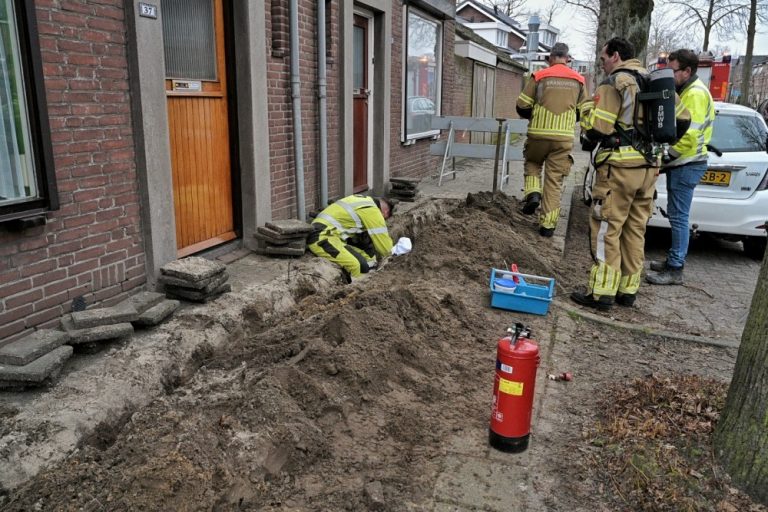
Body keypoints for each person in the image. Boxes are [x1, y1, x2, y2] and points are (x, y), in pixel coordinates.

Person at [570, 37, 690, 310]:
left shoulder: (615, 82)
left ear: (614, 55)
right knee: (635, 229)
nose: (602, 64)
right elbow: (683, 120)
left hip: (619, 170)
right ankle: (628, 290)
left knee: (607, 228)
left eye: (603, 58)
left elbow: (598, 128)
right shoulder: (657, 81)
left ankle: (601, 293)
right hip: (649, 169)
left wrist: (587, 111)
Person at [646, 49, 715, 285]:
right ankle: (673, 261)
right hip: (686, 163)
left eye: (673, 70)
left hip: (687, 163)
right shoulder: (687, 91)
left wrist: (666, 157)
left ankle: (675, 268)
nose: (670, 75)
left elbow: (689, 136)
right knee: (677, 216)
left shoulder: (694, 94)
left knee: (678, 218)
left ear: (687, 71)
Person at [516, 42, 588, 237]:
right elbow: (584, 111)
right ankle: (548, 226)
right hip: (563, 138)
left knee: (532, 162)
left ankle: (532, 193)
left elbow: (521, 105)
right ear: (568, 58)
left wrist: (535, 115)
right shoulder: (579, 80)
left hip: (538, 134)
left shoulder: (539, 76)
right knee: (554, 181)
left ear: (550, 58)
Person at [307, 194, 395, 279]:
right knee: (354, 265)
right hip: (320, 237)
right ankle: (357, 290)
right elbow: (385, 248)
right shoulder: (372, 211)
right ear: (385, 212)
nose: (384, 221)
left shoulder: (363, 200)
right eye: (385, 219)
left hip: (332, 235)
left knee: (366, 259)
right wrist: (396, 255)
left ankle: (367, 278)